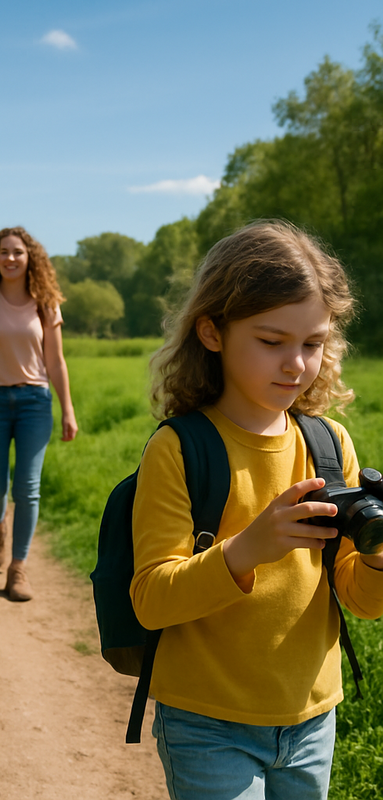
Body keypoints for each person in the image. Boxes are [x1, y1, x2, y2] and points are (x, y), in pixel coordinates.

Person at [130, 220, 383, 799]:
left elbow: (363, 602)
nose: (296, 363)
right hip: (207, 721)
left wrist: (376, 551)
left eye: (313, 344)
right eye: (272, 342)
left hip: (313, 716)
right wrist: (249, 548)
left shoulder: (328, 444)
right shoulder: (181, 449)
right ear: (212, 332)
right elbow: (150, 600)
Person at [0, 226, 77, 601]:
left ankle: (18, 568)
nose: (10, 258)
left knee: (28, 488)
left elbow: (56, 362)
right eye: (3, 252)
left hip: (34, 403)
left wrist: (68, 410)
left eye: (17, 252)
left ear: (30, 258)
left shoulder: (45, 305)